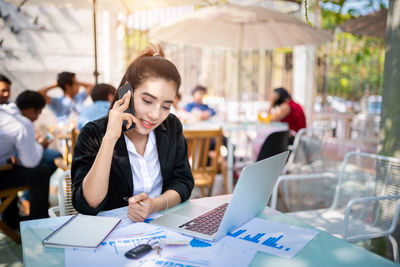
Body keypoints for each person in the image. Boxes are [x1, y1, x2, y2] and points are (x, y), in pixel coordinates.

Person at [71, 44, 194, 222]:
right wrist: (110, 138)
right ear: (127, 92)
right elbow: (87, 205)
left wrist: (154, 204)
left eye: (166, 106)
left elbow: (183, 181)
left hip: (162, 228)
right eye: (147, 101)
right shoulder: (93, 134)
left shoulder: (171, 126)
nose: (155, 115)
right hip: (110, 234)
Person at [0, 90, 51, 229]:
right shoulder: (22, 123)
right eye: (38, 114)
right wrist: (40, 146)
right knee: (40, 172)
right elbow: (30, 162)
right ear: (31, 111)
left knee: (12, 166)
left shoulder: (4, 111)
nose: (36, 118)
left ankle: (10, 219)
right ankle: (38, 223)